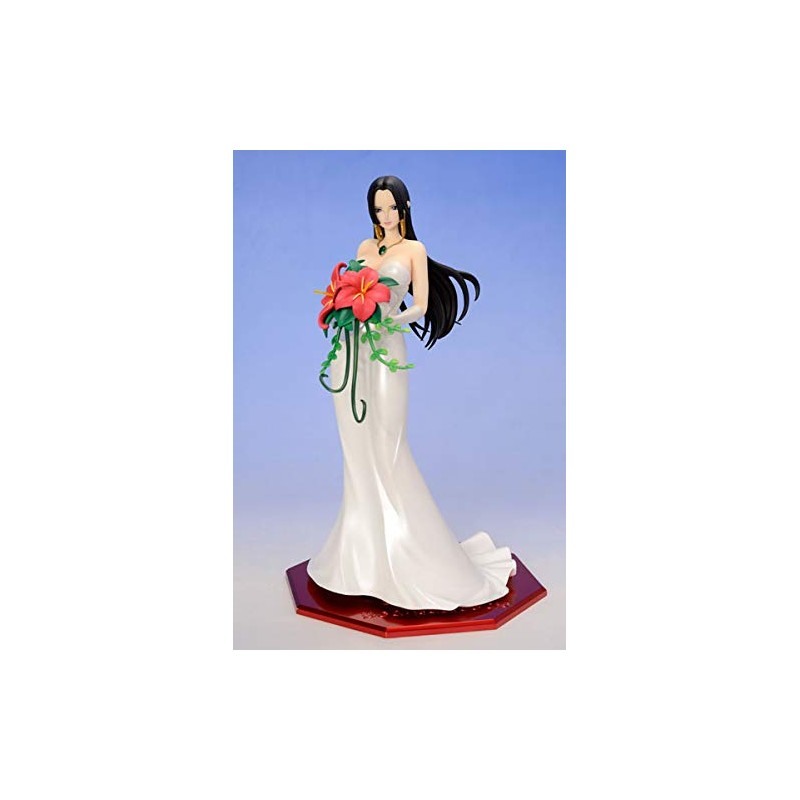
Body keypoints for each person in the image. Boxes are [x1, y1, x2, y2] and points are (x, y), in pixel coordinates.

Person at [308, 176, 516, 610]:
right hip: (350, 348)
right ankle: (360, 558)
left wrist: (388, 320)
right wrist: (344, 311)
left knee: (389, 443)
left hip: (385, 346)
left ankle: (413, 557)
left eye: (392, 207)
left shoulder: (413, 251)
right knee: (356, 446)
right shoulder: (365, 247)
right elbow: (350, 289)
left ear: (405, 207)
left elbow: (418, 304)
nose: (385, 216)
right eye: (378, 209)